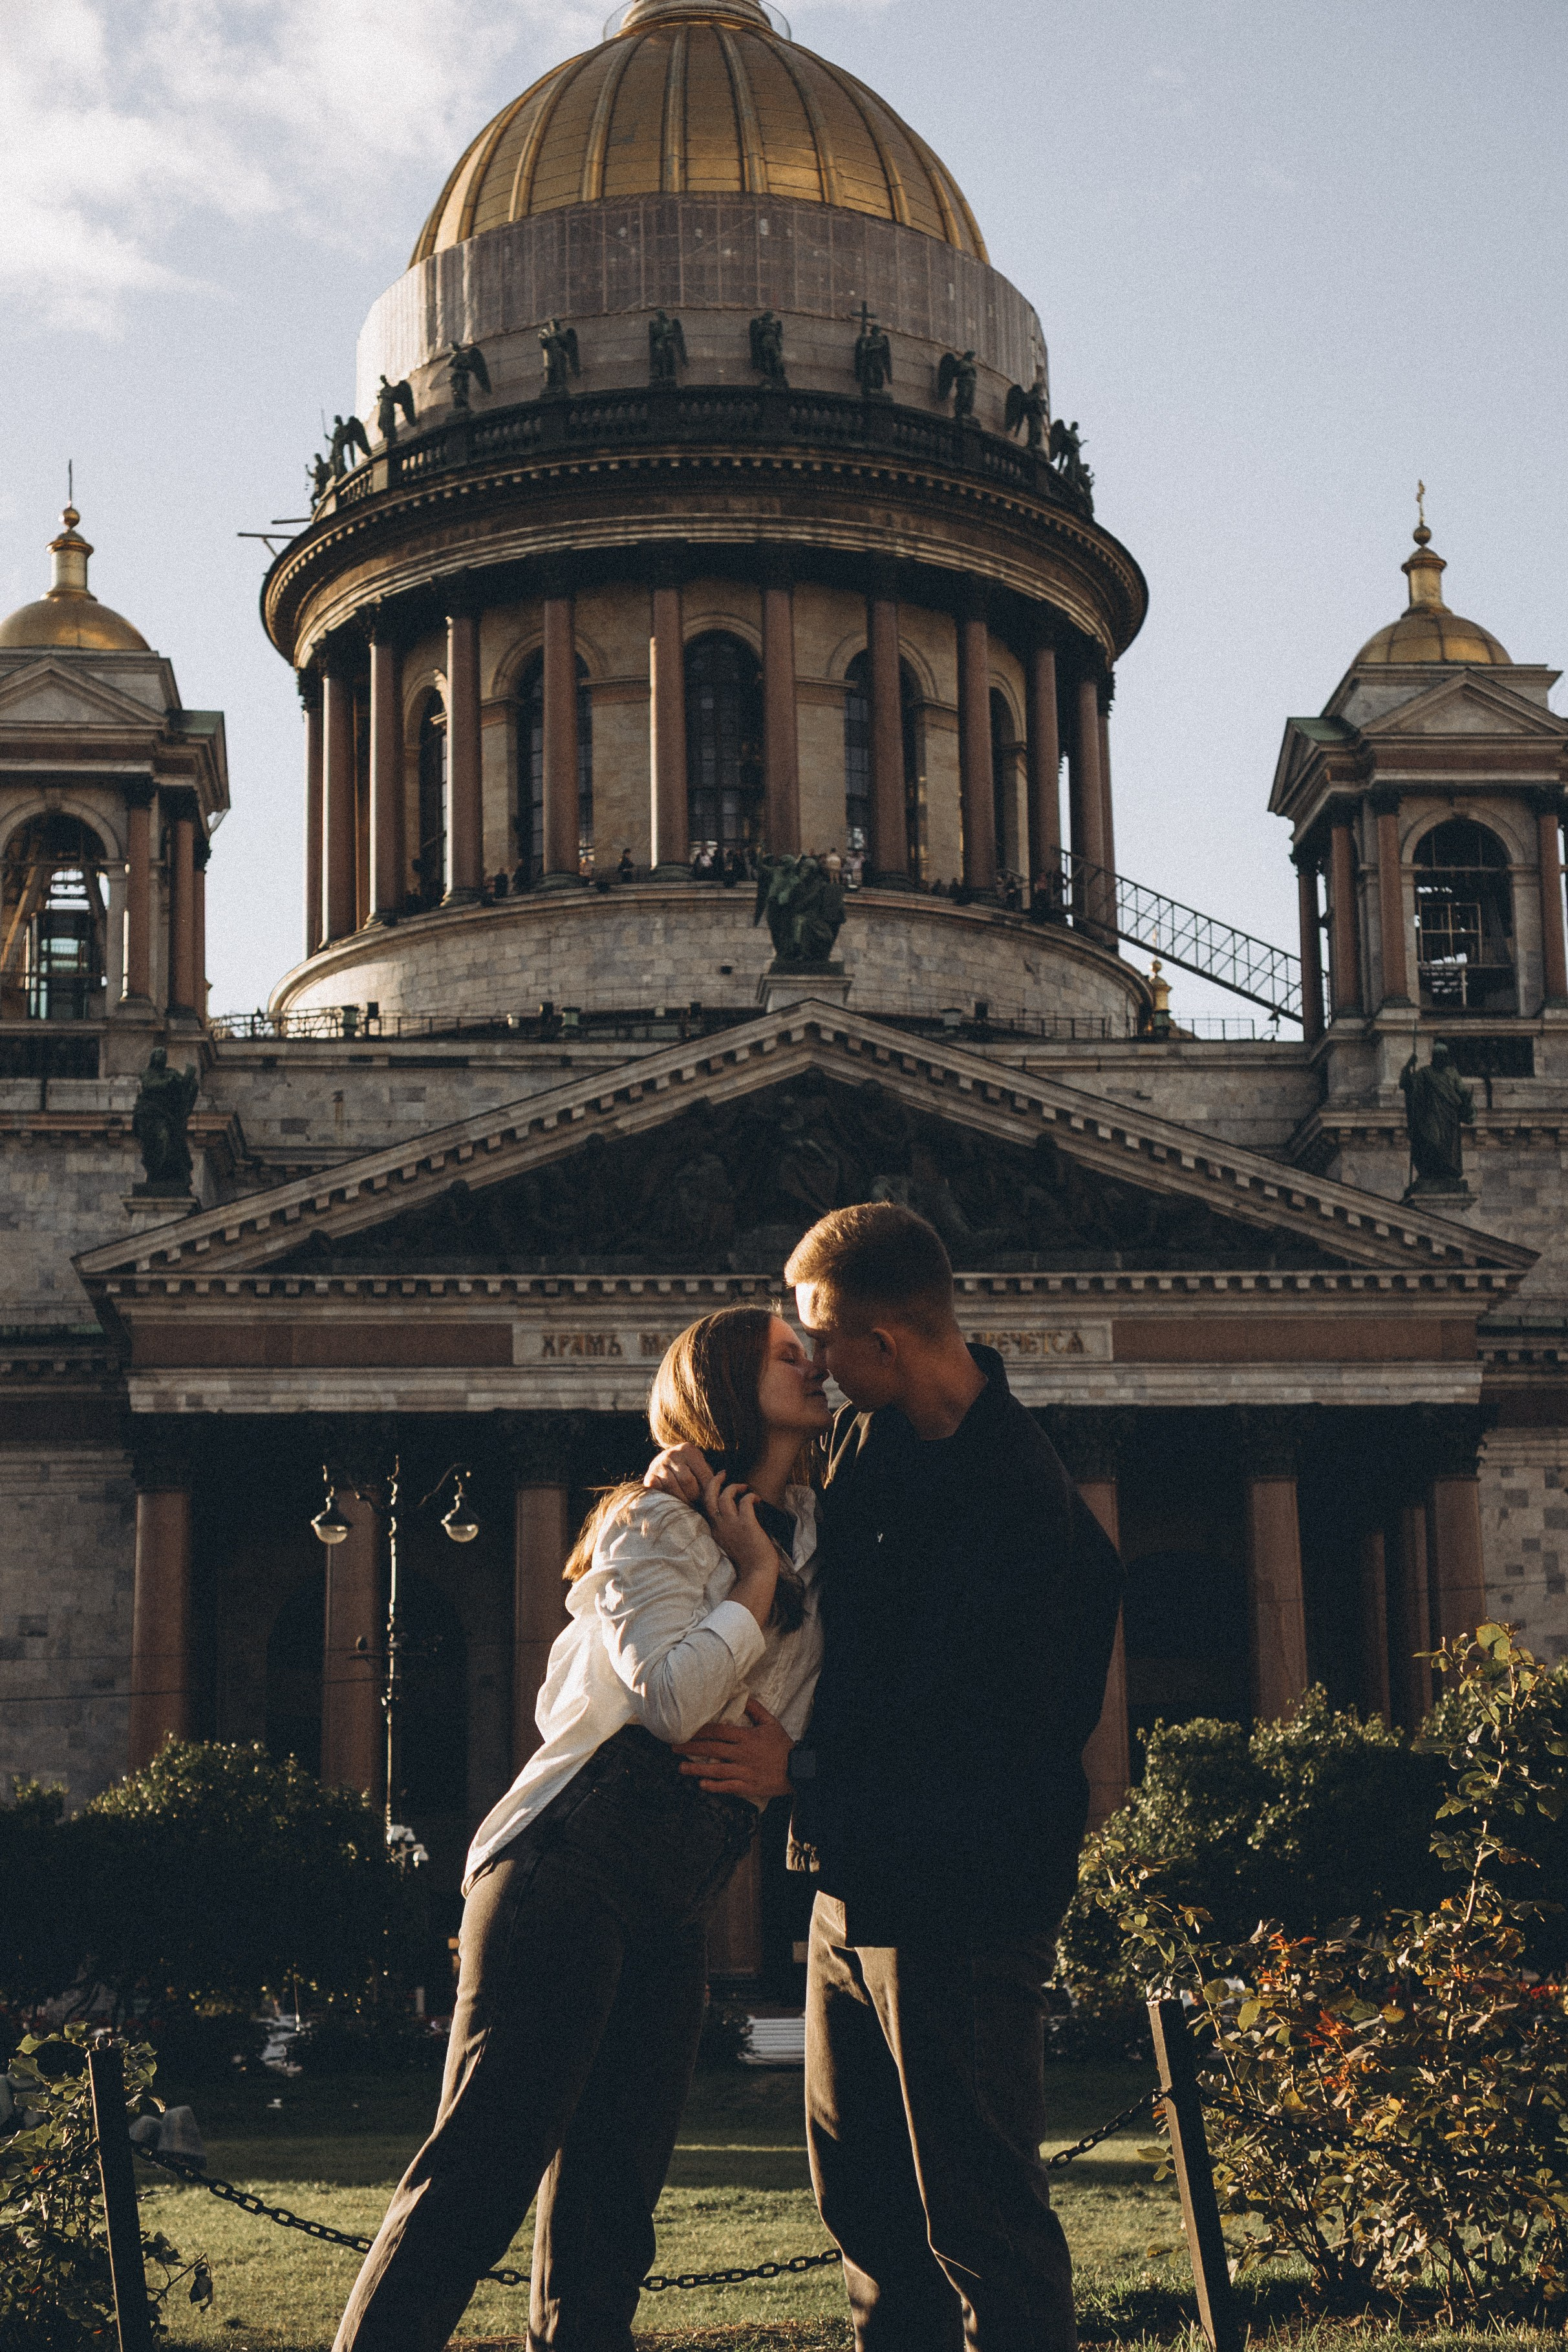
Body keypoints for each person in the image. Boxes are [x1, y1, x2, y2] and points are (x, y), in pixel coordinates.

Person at [652, 1203, 1123, 2351]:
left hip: (960, 1905)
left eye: (819, 1338)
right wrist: (690, 1477)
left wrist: (796, 1768)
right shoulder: (867, 1444)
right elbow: (786, 1531)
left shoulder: (1017, 1498)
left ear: (888, 1342)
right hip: (849, 1884)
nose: (809, 1361)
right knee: (865, 2209)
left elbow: (999, 1754)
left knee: (981, 2219)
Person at [332, 1306, 830, 2352]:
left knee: (613, 2203)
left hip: (680, 1881)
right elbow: (674, 1701)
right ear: (729, 1385)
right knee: (481, 2170)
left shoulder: (814, 1534)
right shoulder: (651, 1525)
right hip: (570, 1862)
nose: (817, 1360)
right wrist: (749, 1576)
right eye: (791, 1352)